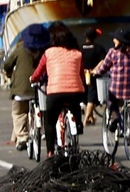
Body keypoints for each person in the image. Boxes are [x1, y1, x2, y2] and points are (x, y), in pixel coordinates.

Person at [29, 24, 87, 154]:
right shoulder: (77, 54)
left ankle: (50, 152)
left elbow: (39, 72)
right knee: (75, 105)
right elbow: (81, 74)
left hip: (55, 93)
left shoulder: (48, 53)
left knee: (50, 122)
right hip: (76, 92)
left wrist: (32, 79)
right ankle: (78, 124)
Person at [89, 34, 130, 136]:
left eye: (115, 38)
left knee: (111, 100)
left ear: (120, 40)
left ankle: (115, 118)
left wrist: (96, 73)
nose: (113, 40)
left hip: (118, 89)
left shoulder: (113, 52)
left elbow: (103, 68)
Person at [2, 23, 49, 146]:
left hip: (21, 89)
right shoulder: (46, 50)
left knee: (19, 113)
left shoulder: (20, 49)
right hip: (40, 88)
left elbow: (7, 64)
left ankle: (22, 137)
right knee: (41, 108)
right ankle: (41, 130)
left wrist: (9, 72)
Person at [80, 27, 109, 124]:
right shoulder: (98, 48)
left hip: (83, 74)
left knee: (86, 96)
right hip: (93, 74)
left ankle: (91, 117)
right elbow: (103, 60)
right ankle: (85, 119)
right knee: (91, 97)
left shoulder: (81, 48)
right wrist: (95, 69)